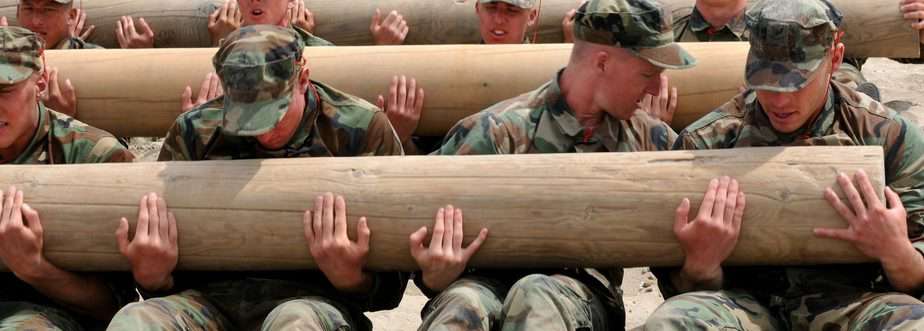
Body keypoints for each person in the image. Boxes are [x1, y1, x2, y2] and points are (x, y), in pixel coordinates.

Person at [107, 25, 407, 331]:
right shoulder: (196, 132)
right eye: (246, 116)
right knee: (136, 320)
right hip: (211, 300)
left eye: (272, 113)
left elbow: (393, 286)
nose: (263, 132)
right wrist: (154, 278)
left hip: (313, 300)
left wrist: (352, 277)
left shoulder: (361, 130)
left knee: (296, 324)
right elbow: (163, 266)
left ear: (302, 79)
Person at [418, 0, 696, 329]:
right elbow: (420, 230)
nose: (656, 88)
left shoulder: (652, 141)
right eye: (648, 73)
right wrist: (433, 275)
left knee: (537, 296)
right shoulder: (498, 132)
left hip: (579, 294)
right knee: (461, 306)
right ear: (603, 63)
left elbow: (680, 277)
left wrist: (700, 261)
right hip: (485, 283)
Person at [646, 1, 924, 329]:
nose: (780, 100)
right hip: (745, 306)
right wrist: (701, 266)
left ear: (835, 58)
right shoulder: (705, 142)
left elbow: (917, 279)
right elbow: (679, 289)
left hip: (852, 302)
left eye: (796, 81)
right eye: (765, 80)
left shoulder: (889, 136)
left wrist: (895, 251)